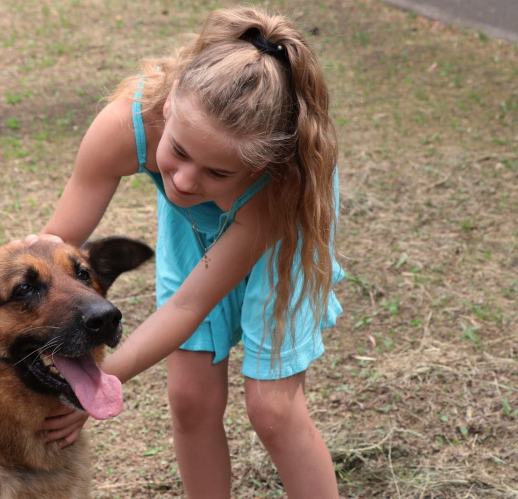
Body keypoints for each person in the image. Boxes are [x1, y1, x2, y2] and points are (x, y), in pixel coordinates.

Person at [36, 7, 344, 498]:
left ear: (259, 164)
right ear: (168, 108)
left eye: (217, 172)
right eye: (177, 151)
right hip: (194, 228)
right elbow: (55, 242)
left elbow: (188, 305)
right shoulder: (124, 125)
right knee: (189, 398)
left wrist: (96, 385)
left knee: (273, 410)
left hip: (282, 233)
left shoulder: (278, 185)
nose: (181, 181)